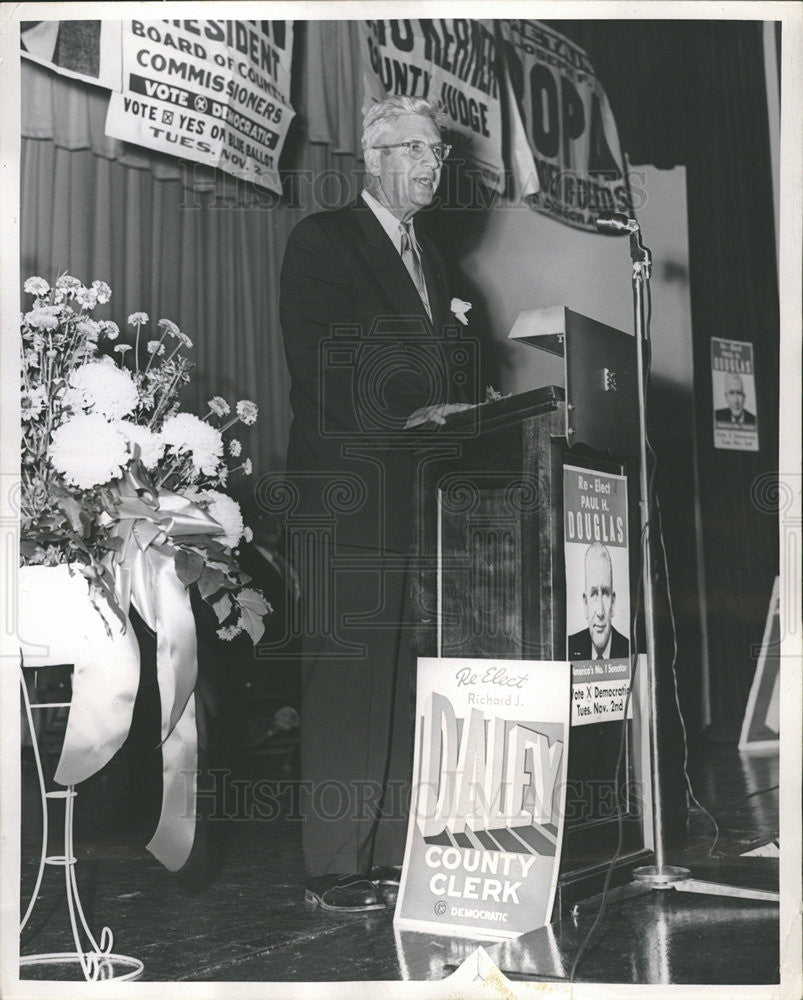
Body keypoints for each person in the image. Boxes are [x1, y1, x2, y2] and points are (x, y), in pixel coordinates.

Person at [280, 96, 473, 912]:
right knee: (349, 678)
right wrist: (410, 413)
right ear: (372, 155)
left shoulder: (440, 264)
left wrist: (470, 406)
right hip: (349, 488)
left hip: (419, 496)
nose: (432, 165)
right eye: (416, 150)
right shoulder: (324, 240)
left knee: (402, 680)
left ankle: (388, 851)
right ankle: (334, 863)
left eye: (438, 153)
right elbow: (320, 362)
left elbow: (454, 379)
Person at [567, 541, 630, 660]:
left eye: (605, 593)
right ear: (585, 604)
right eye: (594, 594)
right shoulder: (569, 647)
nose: (600, 612)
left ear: (613, 602)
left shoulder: (628, 650)